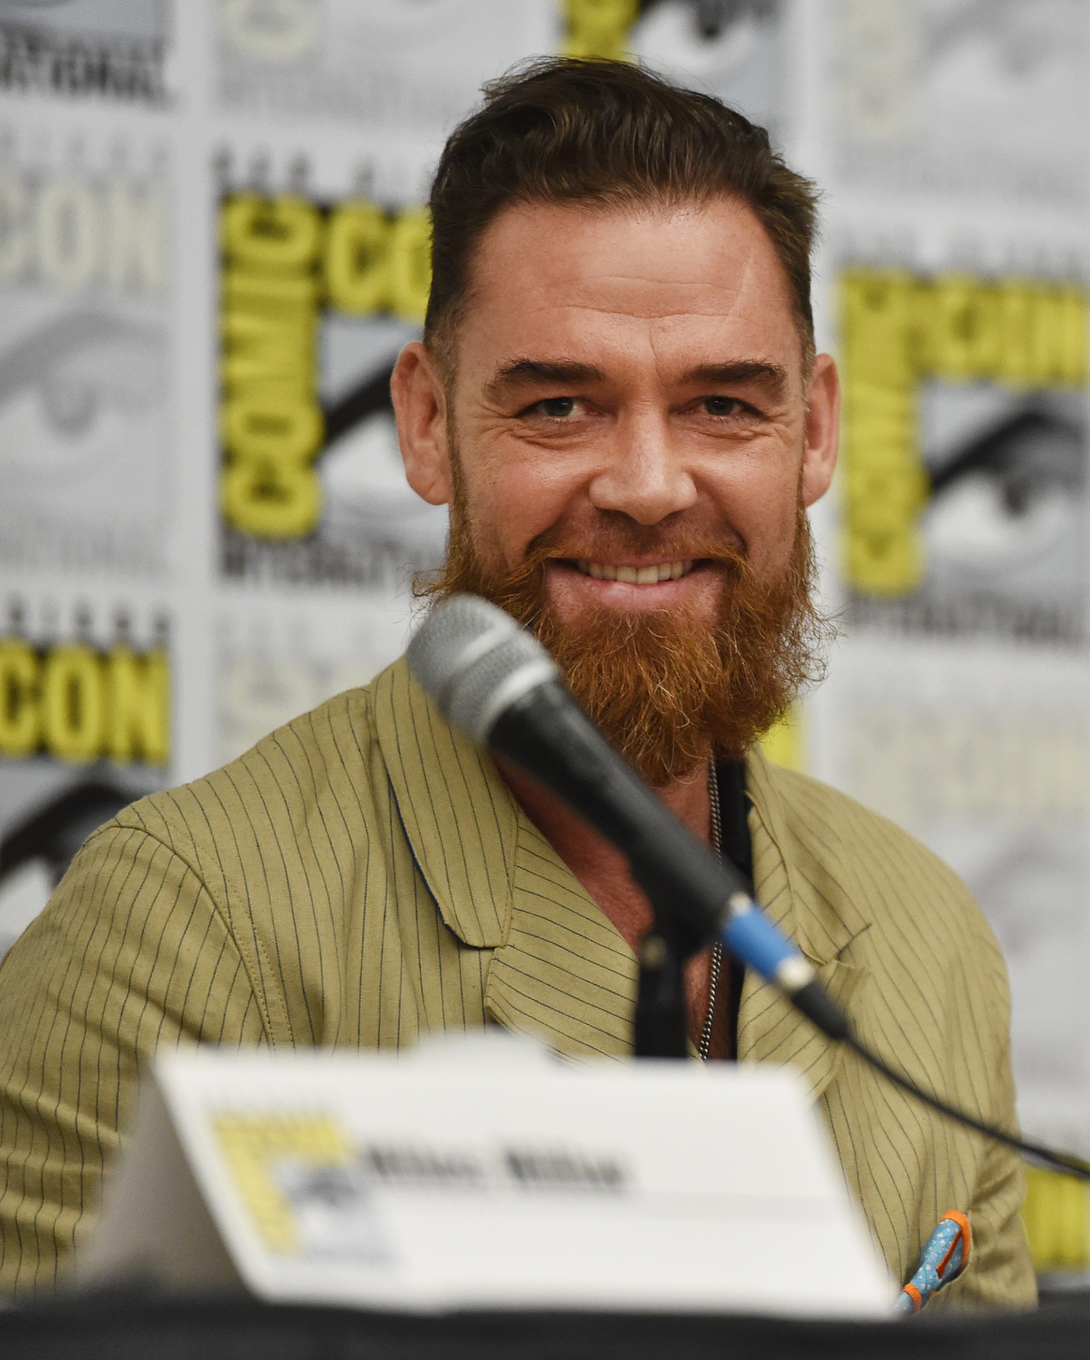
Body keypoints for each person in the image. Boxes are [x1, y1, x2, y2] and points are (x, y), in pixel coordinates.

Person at [0, 59, 1033, 1307]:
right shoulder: (181, 927)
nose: (649, 484)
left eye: (720, 404)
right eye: (558, 405)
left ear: (812, 432)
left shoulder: (929, 934)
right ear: (428, 424)